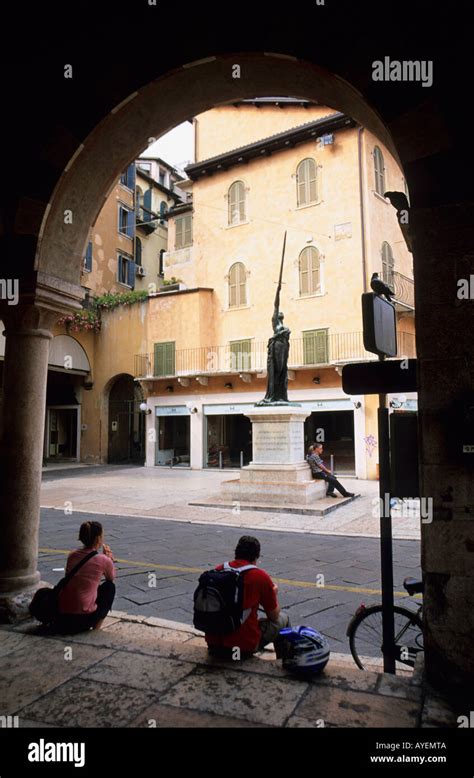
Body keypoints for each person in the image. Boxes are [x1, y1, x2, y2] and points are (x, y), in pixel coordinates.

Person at [205, 535, 289, 658]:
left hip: (214, 645)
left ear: (236, 552)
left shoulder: (219, 569)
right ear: (257, 556)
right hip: (243, 648)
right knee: (283, 619)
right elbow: (273, 616)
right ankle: (284, 662)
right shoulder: (259, 576)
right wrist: (273, 594)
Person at [53, 520, 116, 634]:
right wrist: (109, 559)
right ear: (98, 539)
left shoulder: (72, 555)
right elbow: (110, 578)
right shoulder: (103, 559)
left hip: (63, 616)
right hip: (83, 620)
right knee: (109, 587)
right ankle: (96, 627)